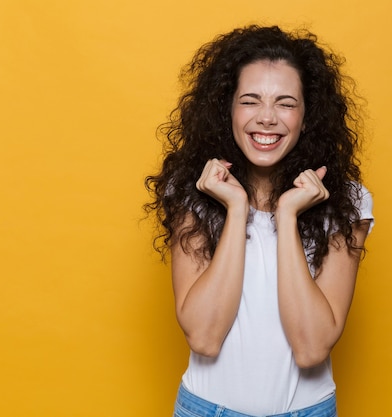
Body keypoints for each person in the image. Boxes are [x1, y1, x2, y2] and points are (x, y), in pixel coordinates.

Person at [144, 25, 374, 417]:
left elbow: (311, 346)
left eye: (285, 103)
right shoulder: (192, 194)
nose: (266, 118)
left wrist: (286, 214)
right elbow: (203, 337)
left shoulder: (347, 202)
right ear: (227, 109)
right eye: (250, 101)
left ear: (308, 114)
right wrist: (236, 209)